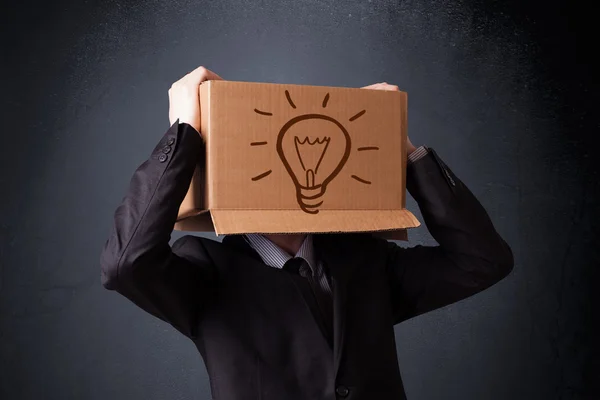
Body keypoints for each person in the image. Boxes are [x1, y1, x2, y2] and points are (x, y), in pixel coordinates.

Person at [100, 65, 514, 400]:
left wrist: (402, 150)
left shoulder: (367, 261)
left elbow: (483, 260)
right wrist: (184, 133)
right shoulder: (204, 273)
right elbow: (125, 264)